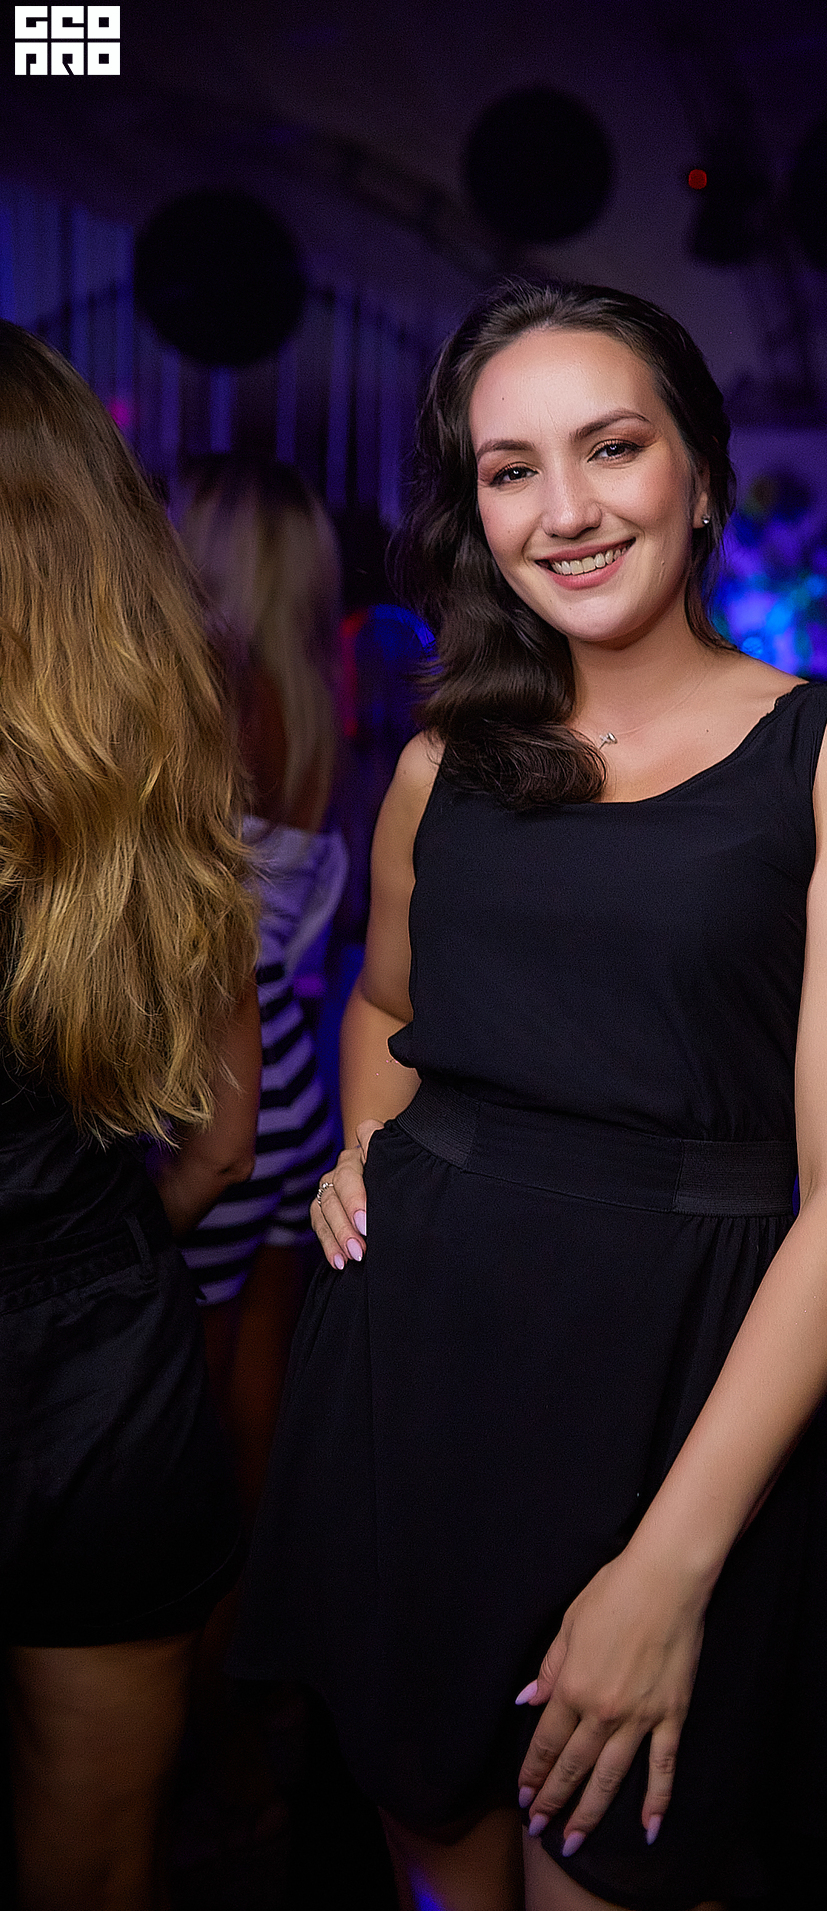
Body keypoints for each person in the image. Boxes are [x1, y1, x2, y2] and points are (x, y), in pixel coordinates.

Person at [230, 278, 827, 1911]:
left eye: (610, 447)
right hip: (417, 1378)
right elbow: (385, 1002)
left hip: (680, 1399)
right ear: (475, 512)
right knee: (443, 1866)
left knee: (610, 1874)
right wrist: (368, 1149)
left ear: (701, 470)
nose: (565, 510)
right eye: (510, 468)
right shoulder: (440, 765)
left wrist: (669, 1569)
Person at [0, 321, 261, 1909]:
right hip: (103, 1372)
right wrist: (96, 1245)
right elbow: (223, 1139)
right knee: (96, 1864)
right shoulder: (161, 774)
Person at [173, 454, 348, 1512]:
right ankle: (264, 1615)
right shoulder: (322, 706)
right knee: (262, 1383)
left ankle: (193, 1620)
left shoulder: (205, 704)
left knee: (181, 1408)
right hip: (296, 1080)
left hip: (217, 1079)